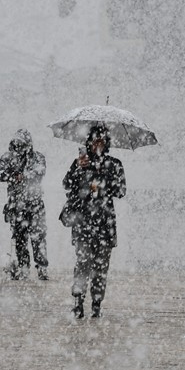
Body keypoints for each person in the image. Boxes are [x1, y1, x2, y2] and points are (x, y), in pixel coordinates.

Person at [61, 124, 127, 318]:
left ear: (106, 143)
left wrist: (103, 176)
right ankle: (78, 300)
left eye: (101, 140)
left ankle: (97, 303)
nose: (97, 144)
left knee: (100, 267)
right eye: (94, 140)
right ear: (88, 142)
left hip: (105, 225)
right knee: (82, 263)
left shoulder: (114, 164)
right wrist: (79, 170)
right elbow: (66, 185)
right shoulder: (80, 163)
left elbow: (121, 191)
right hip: (83, 223)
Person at [0, 129, 49, 280]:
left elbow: (40, 171)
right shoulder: (7, 157)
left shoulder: (38, 157)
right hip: (16, 205)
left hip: (35, 203)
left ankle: (42, 267)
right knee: (20, 238)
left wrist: (23, 176)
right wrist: (12, 176)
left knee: (39, 237)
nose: (19, 146)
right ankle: (24, 267)